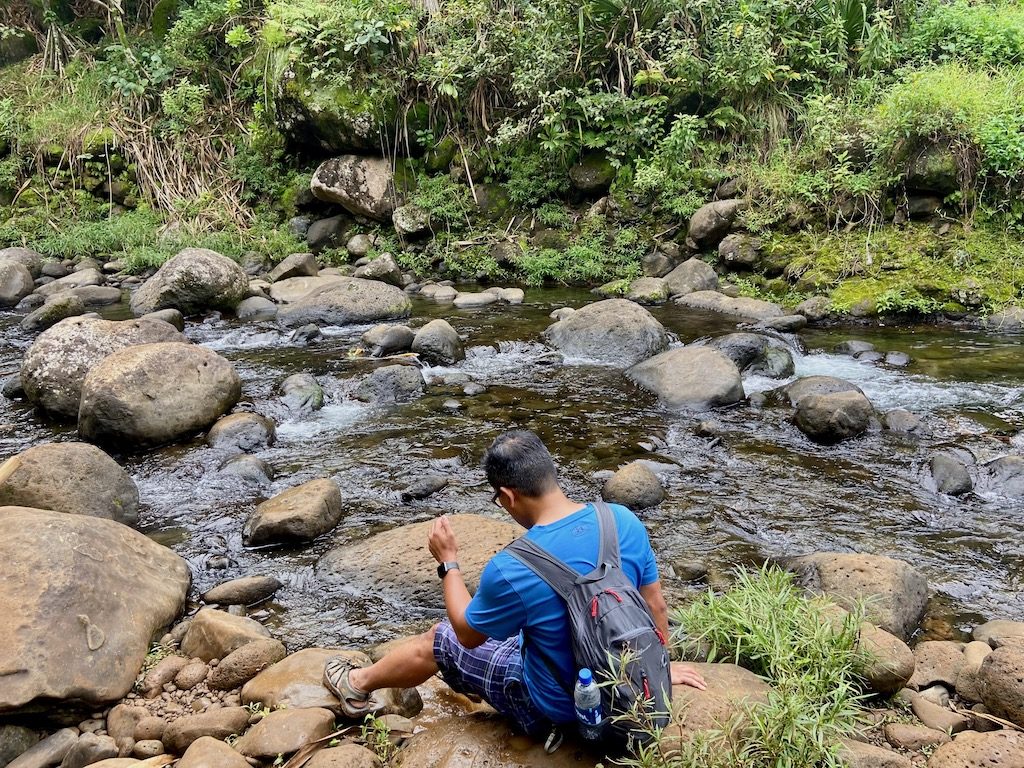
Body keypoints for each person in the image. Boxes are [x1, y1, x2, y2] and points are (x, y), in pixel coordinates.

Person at [323, 429, 706, 743]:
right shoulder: (621, 520)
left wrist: (448, 564)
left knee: (438, 639)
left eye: (498, 499)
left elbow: (466, 634)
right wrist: (656, 669)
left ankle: (355, 684)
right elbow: (654, 606)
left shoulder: (513, 567)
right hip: (630, 692)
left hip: (557, 707)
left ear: (507, 495)